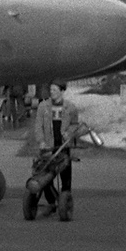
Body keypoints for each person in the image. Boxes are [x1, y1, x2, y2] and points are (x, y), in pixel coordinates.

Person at [33, 82, 82, 218]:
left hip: (63, 146)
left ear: (62, 91)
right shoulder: (43, 106)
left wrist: (69, 133)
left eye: (54, 89)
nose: (52, 92)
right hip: (48, 147)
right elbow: (38, 126)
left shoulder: (70, 108)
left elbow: (74, 124)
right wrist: (41, 141)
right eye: (50, 89)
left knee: (65, 176)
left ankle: (65, 202)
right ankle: (52, 202)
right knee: (46, 176)